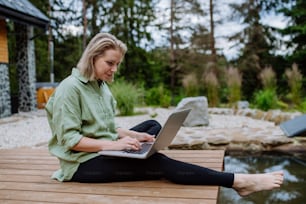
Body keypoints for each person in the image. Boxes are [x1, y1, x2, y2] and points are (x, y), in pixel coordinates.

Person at [45, 32, 284, 197]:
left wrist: (132, 137)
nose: (114, 69)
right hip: (81, 165)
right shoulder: (70, 88)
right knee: (159, 163)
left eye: (117, 63)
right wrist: (117, 145)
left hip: (102, 148)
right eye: (110, 63)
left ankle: (142, 155)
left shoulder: (101, 87)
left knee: (151, 127)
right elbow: (72, 141)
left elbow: (104, 127)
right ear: (93, 57)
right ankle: (240, 182)